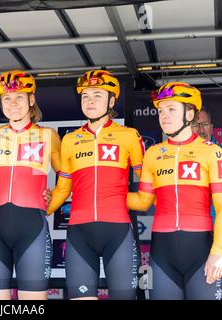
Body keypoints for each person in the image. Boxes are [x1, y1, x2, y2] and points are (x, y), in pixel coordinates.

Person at [47, 70, 145, 300]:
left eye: (97, 95)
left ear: (111, 101)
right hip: (79, 232)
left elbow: (149, 182)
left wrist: (126, 199)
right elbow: (63, 188)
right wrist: (43, 208)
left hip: (118, 230)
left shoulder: (129, 136)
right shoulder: (70, 140)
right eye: (85, 96)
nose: (90, 101)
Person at [128, 82, 222, 299]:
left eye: (171, 109)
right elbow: (143, 201)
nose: (164, 116)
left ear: (189, 113)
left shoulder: (211, 152)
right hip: (162, 252)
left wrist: (218, 252)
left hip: (202, 250)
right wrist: (103, 195)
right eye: (160, 110)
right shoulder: (152, 154)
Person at [0, 70, 61, 300]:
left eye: (19, 97)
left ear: (31, 100)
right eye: (7, 99)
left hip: (31, 227)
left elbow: (68, 175)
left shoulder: (48, 135)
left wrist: (53, 200)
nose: (13, 104)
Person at [192, 108, 222, 224]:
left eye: (205, 124)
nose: (201, 130)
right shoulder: (179, 157)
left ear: (211, 127)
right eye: (195, 124)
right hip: (192, 227)